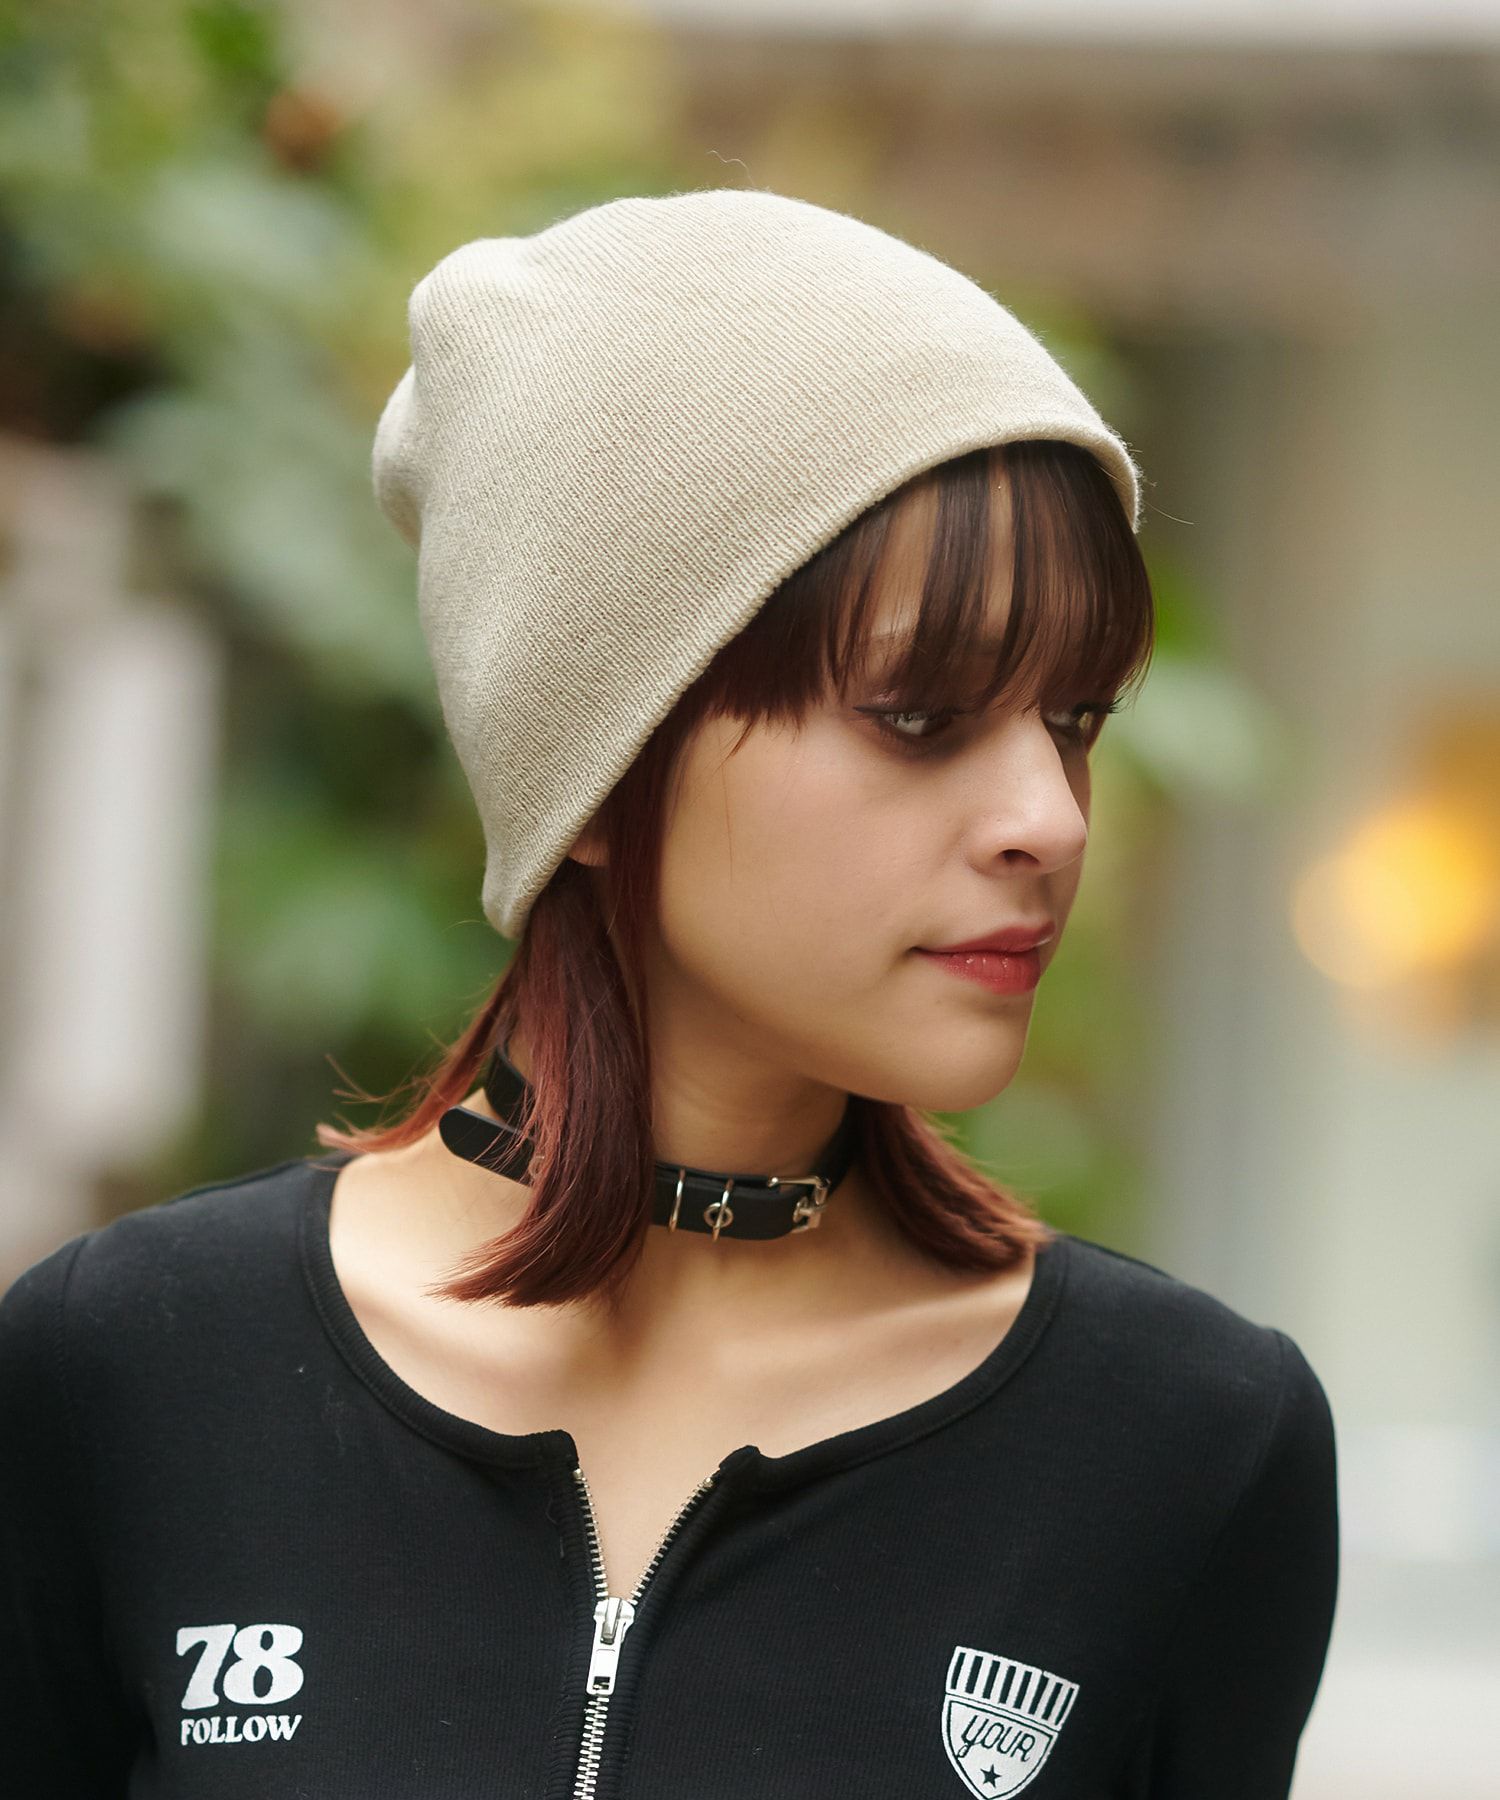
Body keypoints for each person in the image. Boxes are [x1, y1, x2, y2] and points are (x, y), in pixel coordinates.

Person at [0, 188, 1338, 1798]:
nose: (1048, 821)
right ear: (600, 762)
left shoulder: (1185, 1442)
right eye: (921, 715)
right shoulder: (132, 1369)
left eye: (1075, 718)